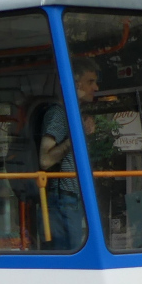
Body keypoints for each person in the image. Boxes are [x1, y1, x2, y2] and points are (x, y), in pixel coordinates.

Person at [37, 57, 100, 250]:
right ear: (76, 83)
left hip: (74, 197)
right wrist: (76, 136)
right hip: (64, 199)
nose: (96, 88)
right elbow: (45, 160)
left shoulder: (73, 114)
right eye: (91, 82)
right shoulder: (60, 114)